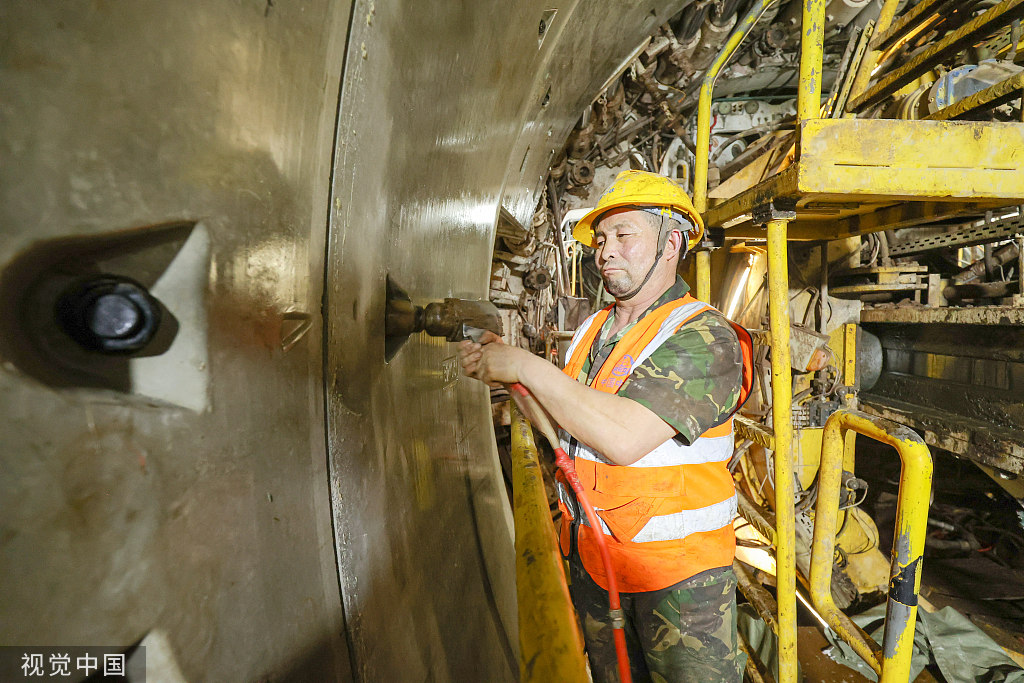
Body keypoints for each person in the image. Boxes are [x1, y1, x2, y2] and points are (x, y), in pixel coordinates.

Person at [458, 169, 753, 683]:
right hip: (596, 563)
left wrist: (525, 367)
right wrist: (504, 373)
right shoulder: (594, 330)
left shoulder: (705, 336)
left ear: (671, 243)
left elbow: (623, 437)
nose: (605, 251)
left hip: (679, 583)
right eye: (600, 239)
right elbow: (563, 424)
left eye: (624, 235)